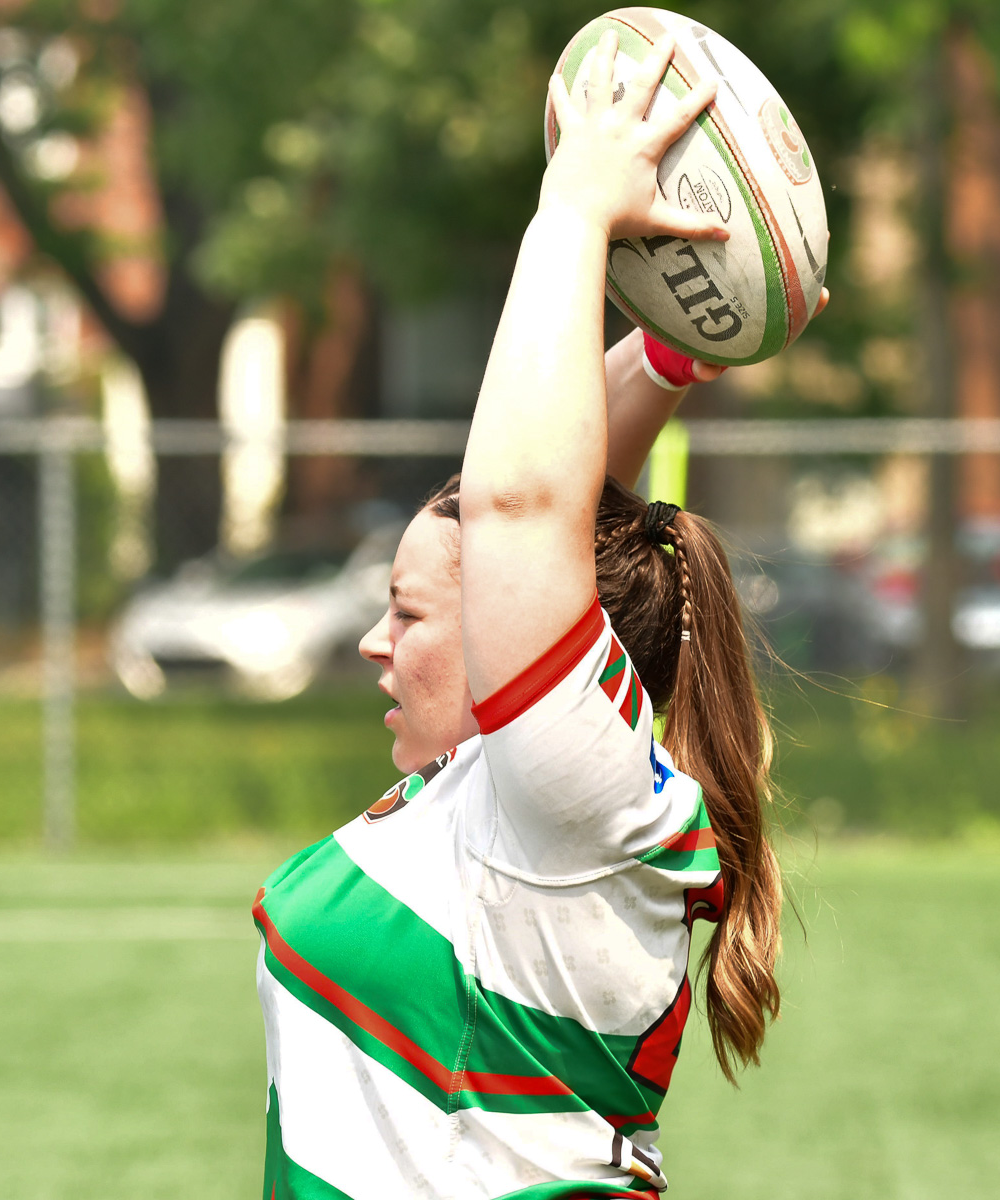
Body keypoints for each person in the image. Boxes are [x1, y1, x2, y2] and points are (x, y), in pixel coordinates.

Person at [252, 31, 825, 1198]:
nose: (375, 641)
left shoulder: (570, 802)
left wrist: (574, 211)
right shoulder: (499, 794)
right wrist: (669, 348)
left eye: (405, 614)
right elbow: (522, 508)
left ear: (524, 643)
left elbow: (521, 507)